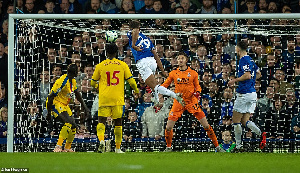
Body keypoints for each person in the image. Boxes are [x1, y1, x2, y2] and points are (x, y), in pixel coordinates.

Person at [161, 52, 224, 152]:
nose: (180, 60)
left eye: (182, 58)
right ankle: (168, 147)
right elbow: (165, 85)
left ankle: (217, 146)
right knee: (168, 127)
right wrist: (158, 90)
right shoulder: (173, 73)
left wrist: (198, 93)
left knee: (206, 125)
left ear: (186, 60)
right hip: (179, 102)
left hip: (191, 101)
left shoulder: (193, 73)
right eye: (178, 58)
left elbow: (197, 86)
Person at [91, 43, 140, 153]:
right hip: (118, 99)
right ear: (117, 53)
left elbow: (92, 83)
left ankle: (102, 141)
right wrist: (136, 91)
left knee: (101, 122)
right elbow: (131, 80)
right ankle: (118, 148)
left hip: (104, 98)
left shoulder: (100, 66)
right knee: (118, 123)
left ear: (106, 53)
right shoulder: (122, 65)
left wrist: (98, 87)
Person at [127, 20, 183, 105]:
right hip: (152, 62)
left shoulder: (132, 33)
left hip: (143, 62)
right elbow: (156, 55)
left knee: (155, 86)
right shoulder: (147, 38)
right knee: (153, 85)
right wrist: (162, 70)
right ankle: (157, 101)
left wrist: (134, 45)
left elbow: (134, 31)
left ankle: (174, 95)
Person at [228, 41, 266, 152]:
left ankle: (239, 146)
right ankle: (261, 134)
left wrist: (234, 80)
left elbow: (248, 75)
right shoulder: (251, 60)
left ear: (238, 48)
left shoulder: (243, 60)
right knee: (245, 121)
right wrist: (251, 82)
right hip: (252, 93)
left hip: (244, 94)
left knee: (236, 121)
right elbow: (258, 74)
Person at [46, 64, 90, 152]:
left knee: (74, 126)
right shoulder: (62, 82)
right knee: (68, 122)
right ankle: (58, 146)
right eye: (77, 71)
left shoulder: (72, 81)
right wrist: (49, 113)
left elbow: (78, 94)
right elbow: (51, 97)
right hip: (55, 104)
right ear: (74, 72)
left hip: (64, 105)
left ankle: (67, 148)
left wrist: (85, 107)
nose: (78, 72)